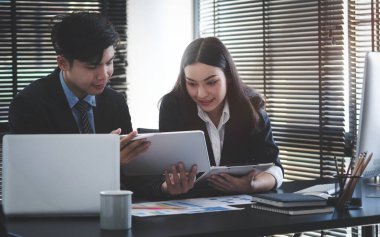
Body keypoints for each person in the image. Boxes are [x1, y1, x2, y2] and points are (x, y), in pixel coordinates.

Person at [8, 12, 149, 171]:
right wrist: (102, 159)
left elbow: (131, 171)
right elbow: (36, 176)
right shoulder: (29, 106)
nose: (104, 74)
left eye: (109, 62)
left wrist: (162, 187)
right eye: (92, 66)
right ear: (63, 63)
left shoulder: (115, 102)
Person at [159, 37, 283, 197]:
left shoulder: (251, 105)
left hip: (239, 206)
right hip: (190, 203)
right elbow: (161, 172)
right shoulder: (173, 106)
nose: (201, 93)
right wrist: (168, 186)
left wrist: (252, 185)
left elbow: (275, 167)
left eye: (211, 82)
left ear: (228, 77)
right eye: (192, 83)